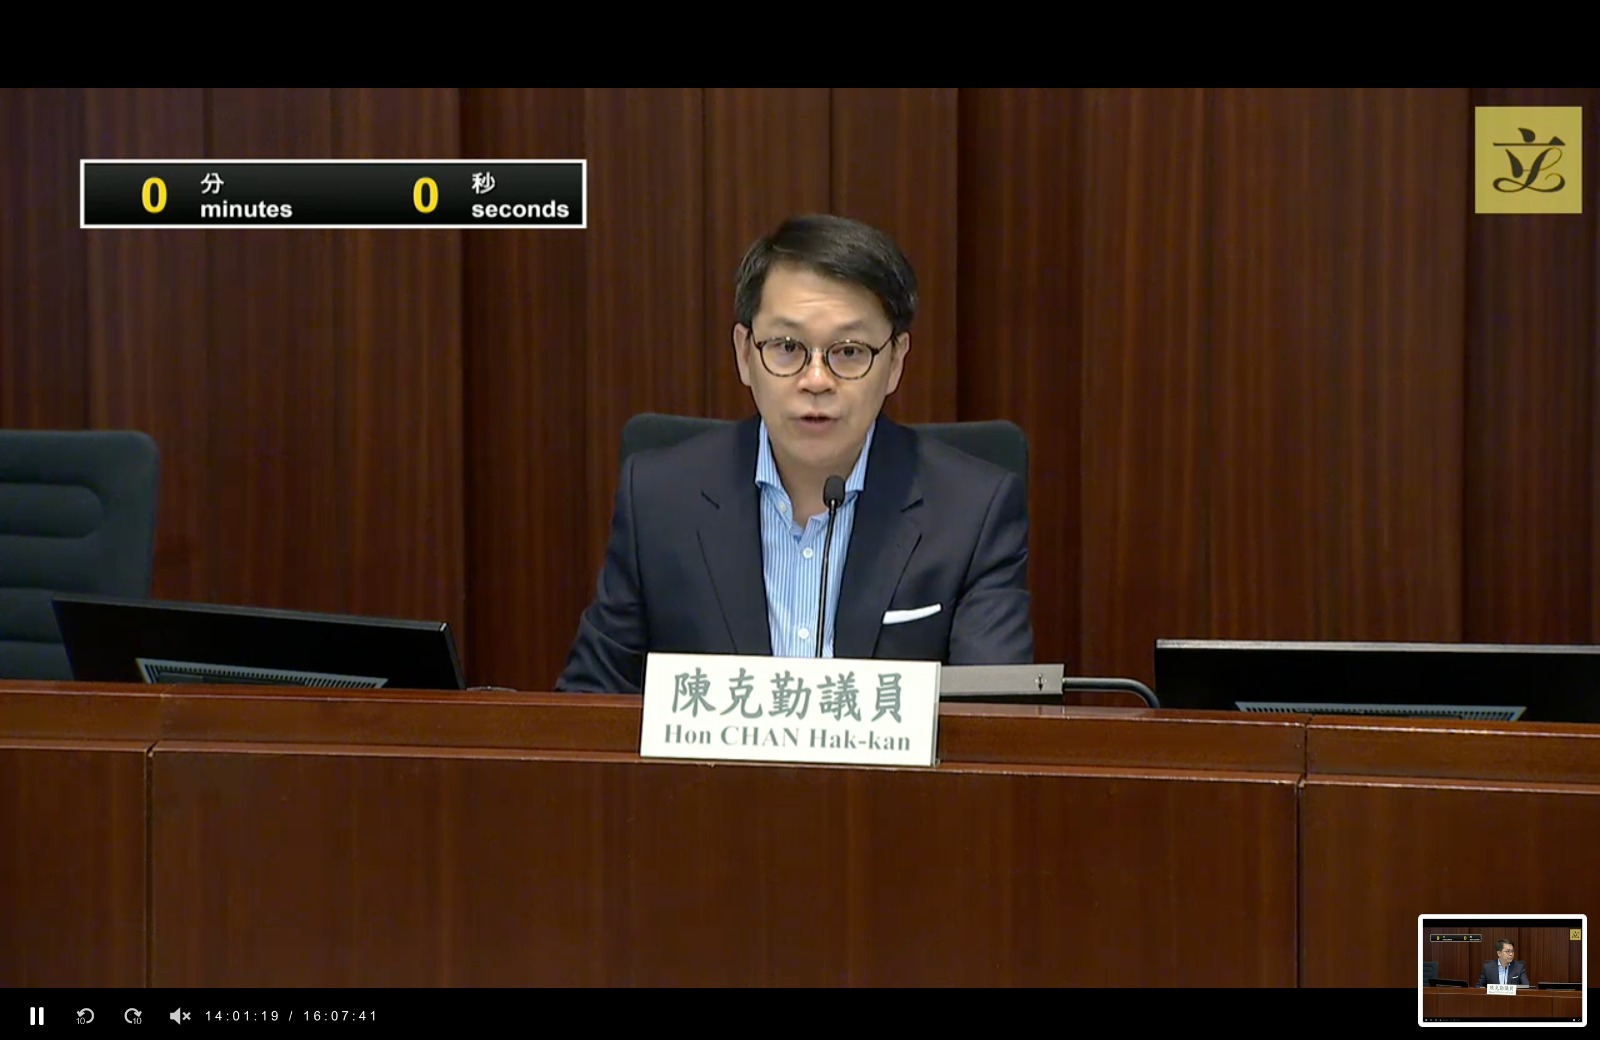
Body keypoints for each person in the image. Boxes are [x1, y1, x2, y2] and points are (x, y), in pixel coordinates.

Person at [556, 213, 1034, 694]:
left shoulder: (972, 512)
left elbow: (993, 720)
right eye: (787, 347)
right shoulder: (659, 499)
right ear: (745, 354)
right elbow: (588, 701)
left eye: (849, 351)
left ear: (894, 361)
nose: (816, 380)